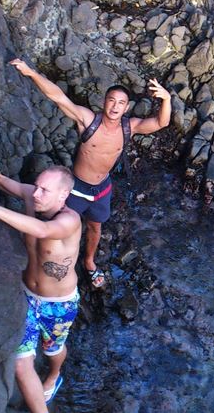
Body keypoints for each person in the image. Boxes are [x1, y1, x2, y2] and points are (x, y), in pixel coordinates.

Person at [11, 59, 171, 288]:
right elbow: (58, 97)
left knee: (95, 226)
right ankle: (54, 264)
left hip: (102, 189)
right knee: (62, 229)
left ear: (126, 108)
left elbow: (161, 122)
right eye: (111, 100)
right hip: (76, 187)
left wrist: (167, 99)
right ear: (104, 102)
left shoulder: (130, 127)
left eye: (121, 103)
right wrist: (31, 73)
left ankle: (88, 261)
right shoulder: (88, 121)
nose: (115, 106)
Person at [0, 147, 80, 411]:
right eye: (36, 186)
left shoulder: (70, 221)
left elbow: (43, 229)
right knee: (21, 363)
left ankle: (54, 374)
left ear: (63, 195)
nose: (36, 193)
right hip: (26, 295)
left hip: (59, 304)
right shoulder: (32, 195)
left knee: (53, 349)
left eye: (45, 190)